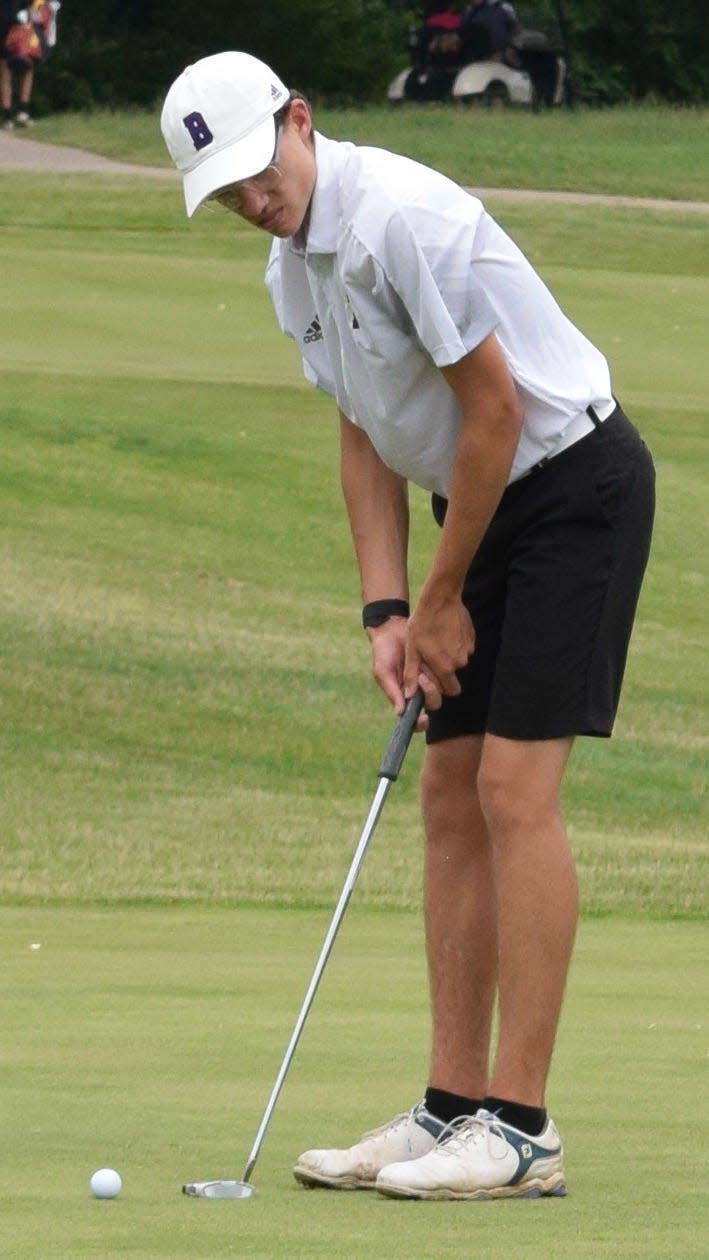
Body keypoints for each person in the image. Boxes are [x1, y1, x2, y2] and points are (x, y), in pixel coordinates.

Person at [160, 52, 655, 1202]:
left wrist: (441, 597)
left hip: (571, 486)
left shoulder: (399, 221)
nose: (251, 201)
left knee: (512, 795)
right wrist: (387, 607)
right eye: (224, 192)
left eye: (254, 171)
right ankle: (448, 1111)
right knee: (446, 794)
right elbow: (366, 432)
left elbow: (494, 413)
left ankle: (521, 1132)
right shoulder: (295, 272)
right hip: (479, 507)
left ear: (300, 120)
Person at [0, 0, 59, 129]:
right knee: (19, 67)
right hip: (16, 18)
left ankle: (10, 116)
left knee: (10, 69)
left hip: (11, 17)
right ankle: (19, 112)